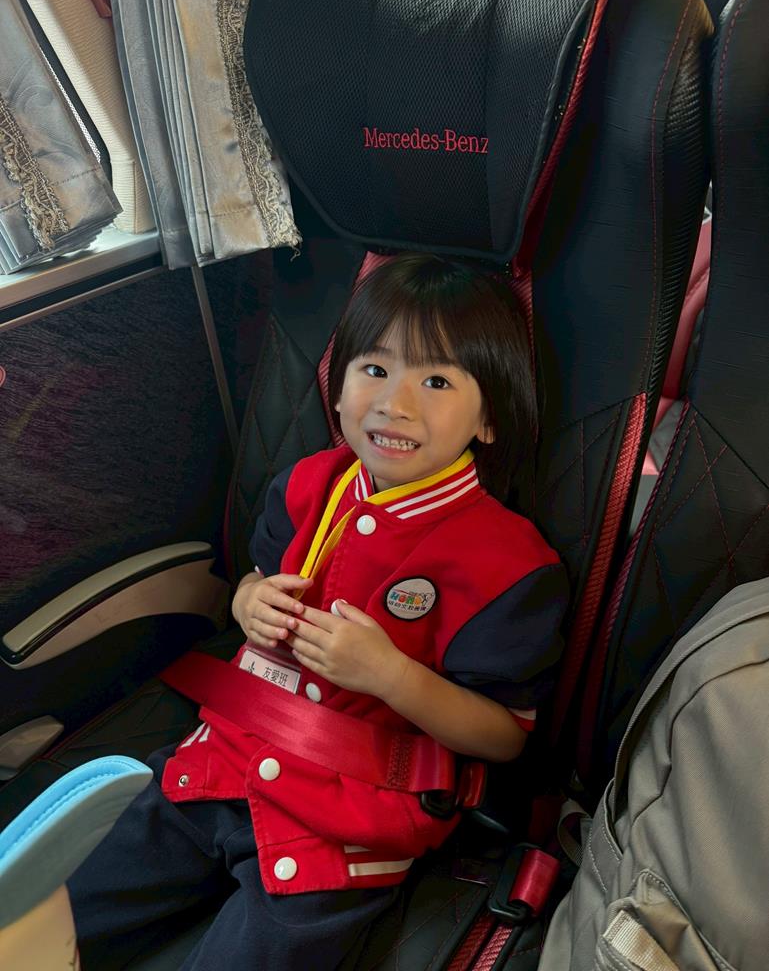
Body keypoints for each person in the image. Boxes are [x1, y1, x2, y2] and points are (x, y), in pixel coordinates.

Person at [68, 253, 568, 970]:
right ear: (336, 392)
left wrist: (392, 676)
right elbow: (259, 576)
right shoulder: (307, 485)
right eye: (374, 369)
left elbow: (502, 736)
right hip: (224, 760)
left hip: (349, 815)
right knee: (55, 902)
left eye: (435, 381)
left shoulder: (508, 564)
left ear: (490, 417)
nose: (394, 403)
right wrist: (247, 600)